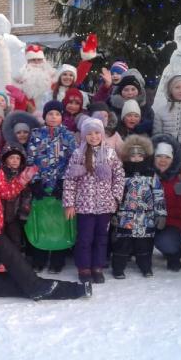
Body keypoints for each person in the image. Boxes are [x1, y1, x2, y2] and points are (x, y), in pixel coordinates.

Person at [62, 118, 125, 283]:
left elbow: (119, 176)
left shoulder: (110, 153)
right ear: (84, 136)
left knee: (101, 238)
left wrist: (115, 197)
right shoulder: (78, 154)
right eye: (89, 133)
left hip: (105, 206)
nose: (94, 136)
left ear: (102, 134)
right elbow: (69, 179)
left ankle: (97, 266)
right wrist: (69, 203)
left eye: (97, 133)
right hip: (84, 206)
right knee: (85, 238)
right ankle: (84, 268)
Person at [26, 100, 77, 273]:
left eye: (57, 114)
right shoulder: (36, 135)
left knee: (59, 222)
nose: (53, 117)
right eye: (50, 114)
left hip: (60, 188)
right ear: (45, 116)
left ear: (61, 117)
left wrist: (64, 183)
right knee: (42, 221)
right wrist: (36, 182)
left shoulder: (68, 136)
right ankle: (39, 258)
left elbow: (73, 161)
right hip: (41, 188)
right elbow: (31, 159)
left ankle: (58, 259)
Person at [113, 135, 166, 278]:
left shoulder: (151, 174)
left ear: (145, 156)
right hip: (125, 216)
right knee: (122, 244)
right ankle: (118, 268)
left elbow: (158, 194)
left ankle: (146, 267)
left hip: (146, 217)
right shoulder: (122, 173)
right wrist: (113, 213)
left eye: (139, 155)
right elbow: (116, 195)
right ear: (127, 156)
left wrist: (160, 214)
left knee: (145, 244)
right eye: (133, 155)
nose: (136, 158)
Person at [151, 133, 181, 272]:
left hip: (174, 222)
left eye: (167, 157)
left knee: (166, 242)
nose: (162, 160)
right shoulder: (147, 174)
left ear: (173, 159)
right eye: (159, 156)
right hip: (149, 220)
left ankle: (174, 252)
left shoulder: (180, 176)